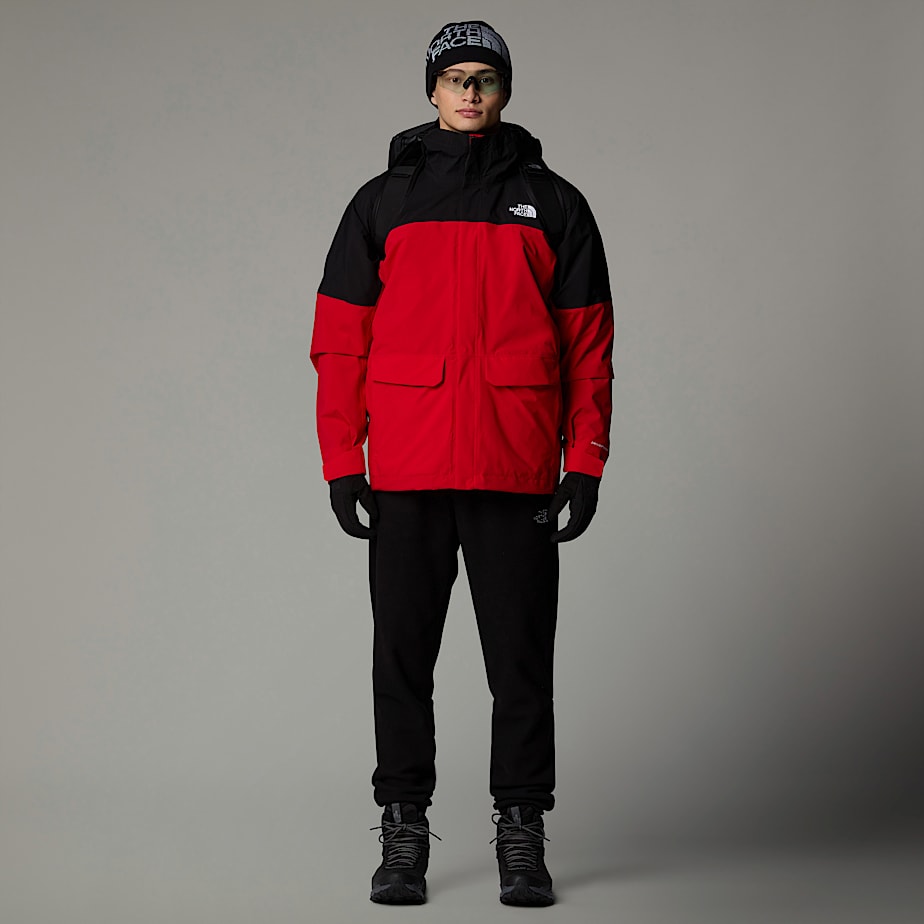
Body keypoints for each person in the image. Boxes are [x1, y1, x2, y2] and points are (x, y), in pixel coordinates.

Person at [310, 20, 613, 908]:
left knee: (520, 664)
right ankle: (403, 830)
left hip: (515, 466)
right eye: (456, 79)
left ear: (505, 90)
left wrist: (586, 459)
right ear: (433, 91)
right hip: (406, 469)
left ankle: (522, 831)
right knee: (401, 661)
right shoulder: (382, 204)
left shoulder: (554, 204)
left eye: (485, 78)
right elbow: (340, 342)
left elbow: (588, 345)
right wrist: (342, 460)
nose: (471, 92)